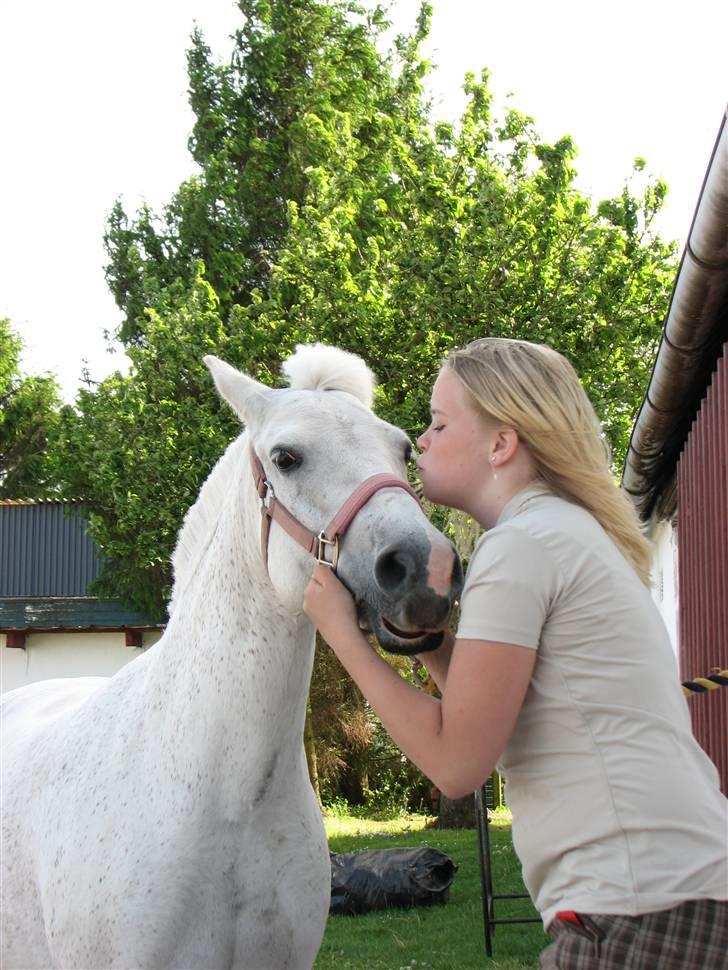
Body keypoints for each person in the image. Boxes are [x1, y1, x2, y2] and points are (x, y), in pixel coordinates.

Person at [304, 336, 728, 968]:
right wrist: (428, 641)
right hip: (672, 888)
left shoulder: (523, 546)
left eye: (439, 422)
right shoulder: (561, 531)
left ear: (501, 444)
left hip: (638, 905)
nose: (420, 440)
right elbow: (499, 718)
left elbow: (457, 762)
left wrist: (343, 635)